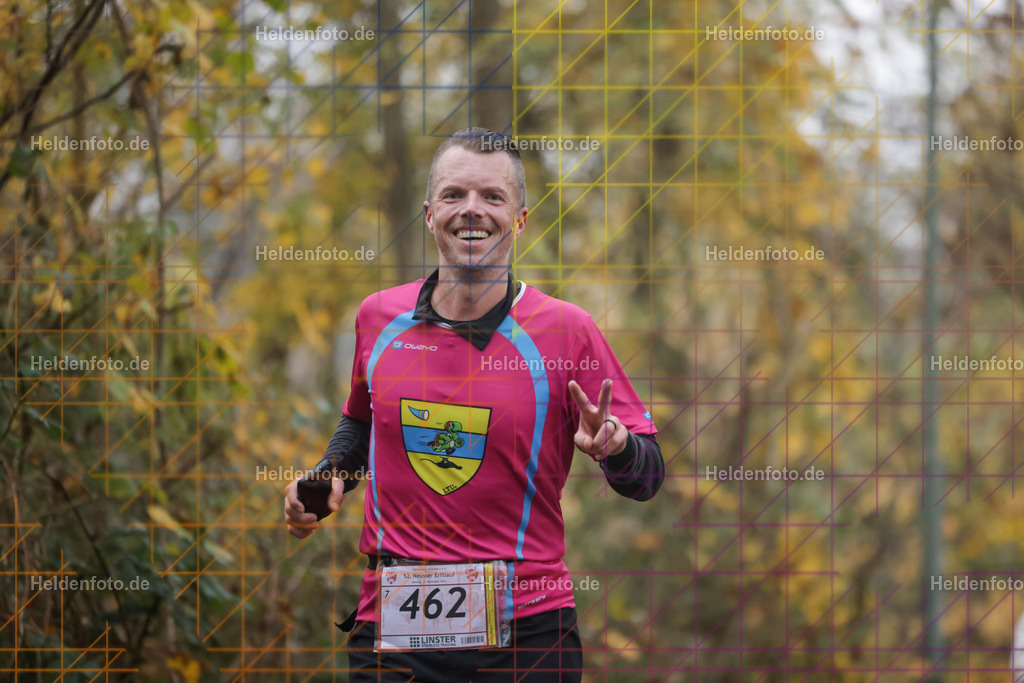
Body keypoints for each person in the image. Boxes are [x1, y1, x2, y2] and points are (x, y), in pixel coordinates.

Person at [284, 127, 664, 682]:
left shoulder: (566, 331)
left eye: (492, 197)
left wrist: (619, 447)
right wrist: (327, 478)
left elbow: (647, 477)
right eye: (454, 195)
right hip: (393, 629)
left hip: (527, 632)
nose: (472, 210)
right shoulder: (378, 318)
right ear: (429, 212)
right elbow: (364, 422)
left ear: (521, 218)